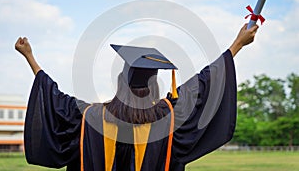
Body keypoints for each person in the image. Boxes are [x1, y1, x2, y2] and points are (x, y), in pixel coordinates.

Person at [15, 23, 258, 171]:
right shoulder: (169, 119)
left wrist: (30, 57)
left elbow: (55, 98)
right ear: (154, 85)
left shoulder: (90, 116)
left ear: (120, 82)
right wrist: (236, 45)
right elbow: (202, 84)